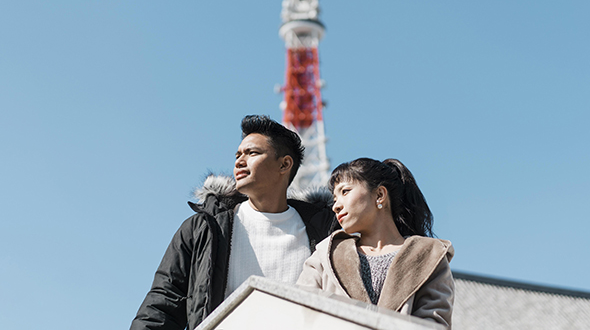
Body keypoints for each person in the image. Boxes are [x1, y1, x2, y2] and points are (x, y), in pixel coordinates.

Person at [130, 115, 336, 330]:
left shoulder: (327, 234)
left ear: (284, 164)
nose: (239, 161)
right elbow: (162, 305)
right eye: (238, 154)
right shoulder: (205, 228)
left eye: (252, 153)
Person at [297, 158, 455, 327]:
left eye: (345, 191)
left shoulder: (428, 256)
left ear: (380, 195)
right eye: (334, 199)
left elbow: (435, 323)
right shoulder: (325, 255)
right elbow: (299, 314)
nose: (336, 206)